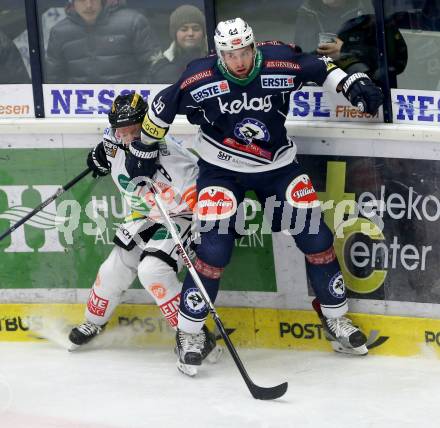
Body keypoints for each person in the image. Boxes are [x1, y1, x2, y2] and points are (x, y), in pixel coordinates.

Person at [125, 18, 383, 376]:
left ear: (253, 46)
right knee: (214, 250)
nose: (240, 61)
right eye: (231, 55)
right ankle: (189, 333)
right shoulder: (199, 77)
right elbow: (161, 107)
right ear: (219, 53)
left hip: (278, 165)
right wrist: (144, 149)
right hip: (221, 168)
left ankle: (335, 318)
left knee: (317, 238)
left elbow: (320, 66)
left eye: (244, 51)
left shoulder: (279, 60)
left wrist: (354, 83)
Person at [68, 92, 222, 365]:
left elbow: (199, 195)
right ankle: (94, 322)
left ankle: (194, 335)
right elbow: (107, 150)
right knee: (112, 269)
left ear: (147, 125)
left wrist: (201, 230)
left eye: (133, 130)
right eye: (120, 130)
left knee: (153, 271)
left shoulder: (171, 155)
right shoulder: (113, 141)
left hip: (177, 217)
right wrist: (97, 156)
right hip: (142, 215)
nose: (126, 136)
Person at [45, 0, 162, 83]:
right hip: (81, 109)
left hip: (129, 106)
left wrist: (139, 94)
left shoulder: (133, 22)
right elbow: (54, 77)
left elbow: (155, 66)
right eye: (81, 0)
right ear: (72, 2)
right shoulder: (59, 32)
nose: (89, 5)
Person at [294, 0, 407, 84]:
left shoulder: (374, 10)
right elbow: (301, 58)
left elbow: (396, 61)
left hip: (369, 98)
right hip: (318, 98)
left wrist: (345, 51)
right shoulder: (307, 11)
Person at [151, 4, 208, 83]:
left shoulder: (216, 61)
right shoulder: (161, 66)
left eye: (196, 29)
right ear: (175, 34)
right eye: (184, 29)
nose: (190, 33)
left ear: (203, 33)